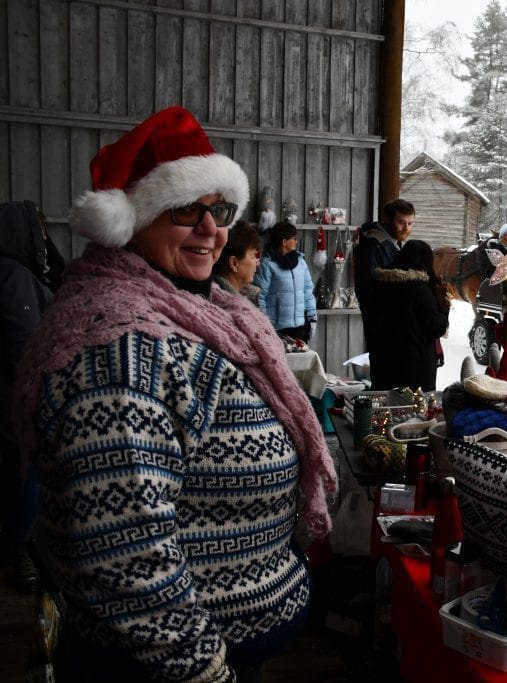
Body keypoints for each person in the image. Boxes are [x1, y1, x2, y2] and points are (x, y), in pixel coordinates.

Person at [13, 106, 337, 681]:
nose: (211, 230)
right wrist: (204, 670)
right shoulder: (118, 352)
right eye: (186, 210)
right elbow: (125, 551)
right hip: (161, 668)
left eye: (219, 211)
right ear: (130, 220)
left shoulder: (202, 314)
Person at [0, 200, 64, 594]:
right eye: (40, 233)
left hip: (10, 404)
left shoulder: (16, 273)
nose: (44, 240)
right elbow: (26, 347)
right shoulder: (14, 277)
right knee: (24, 478)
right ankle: (23, 549)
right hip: (14, 407)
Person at [368, 239, 450, 391]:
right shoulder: (420, 290)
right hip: (415, 370)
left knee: (386, 410)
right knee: (412, 413)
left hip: (383, 363)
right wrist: (444, 309)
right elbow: (436, 327)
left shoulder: (380, 285)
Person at [254, 220, 318, 342]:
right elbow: (259, 296)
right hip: (277, 330)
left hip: (300, 327)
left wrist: (312, 316)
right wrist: (265, 324)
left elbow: (308, 291)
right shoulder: (267, 264)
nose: (296, 241)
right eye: (294, 238)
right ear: (284, 242)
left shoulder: (300, 262)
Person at [353, 197, 415, 321]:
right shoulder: (373, 246)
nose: (406, 229)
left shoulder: (394, 243)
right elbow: (368, 290)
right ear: (388, 220)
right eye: (401, 223)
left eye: (410, 223)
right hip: (383, 321)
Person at [212, 219, 262, 305]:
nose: (257, 263)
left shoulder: (248, 297)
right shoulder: (223, 305)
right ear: (234, 263)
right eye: (253, 256)